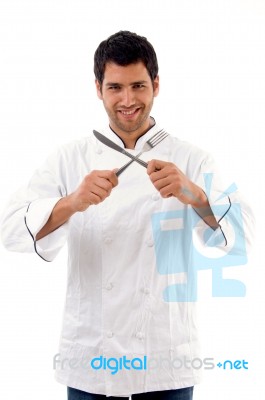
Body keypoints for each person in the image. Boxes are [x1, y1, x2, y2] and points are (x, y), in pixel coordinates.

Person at [0, 31, 253, 400]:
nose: (128, 100)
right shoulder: (70, 158)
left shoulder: (193, 159)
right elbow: (9, 229)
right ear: (98, 88)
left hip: (167, 357)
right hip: (91, 355)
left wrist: (195, 194)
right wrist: (72, 202)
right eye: (115, 87)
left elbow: (244, 236)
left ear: (156, 84)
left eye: (138, 85)